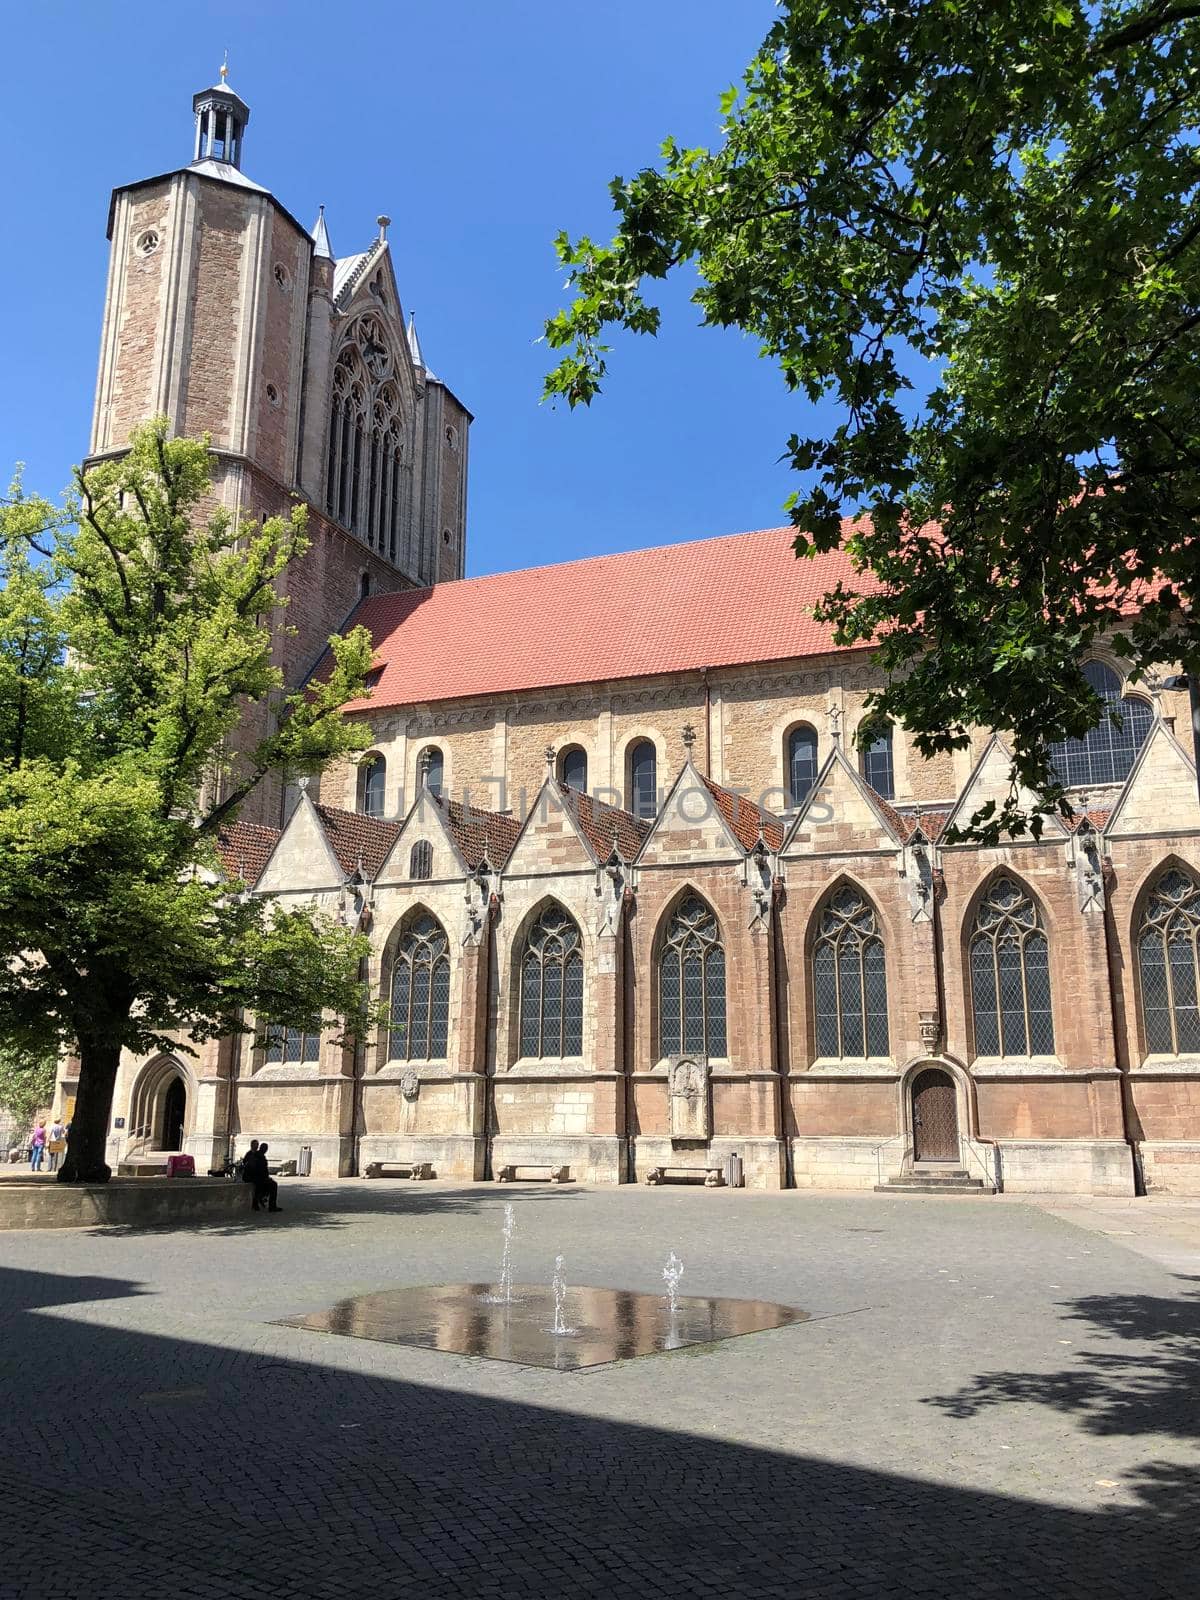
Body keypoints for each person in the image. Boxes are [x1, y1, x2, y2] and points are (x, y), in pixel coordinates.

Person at [245, 1140, 281, 1213]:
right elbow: (260, 1170)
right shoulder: (257, 1155)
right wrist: (266, 1178)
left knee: (266, 1185)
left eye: (257, 1145)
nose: (256, 1146)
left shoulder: (257, 1154)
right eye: (255, 1145)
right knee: (273, 1185)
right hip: (255, 1177)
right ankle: (271, 1206)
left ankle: (259, 1201)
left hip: (255, 1177)